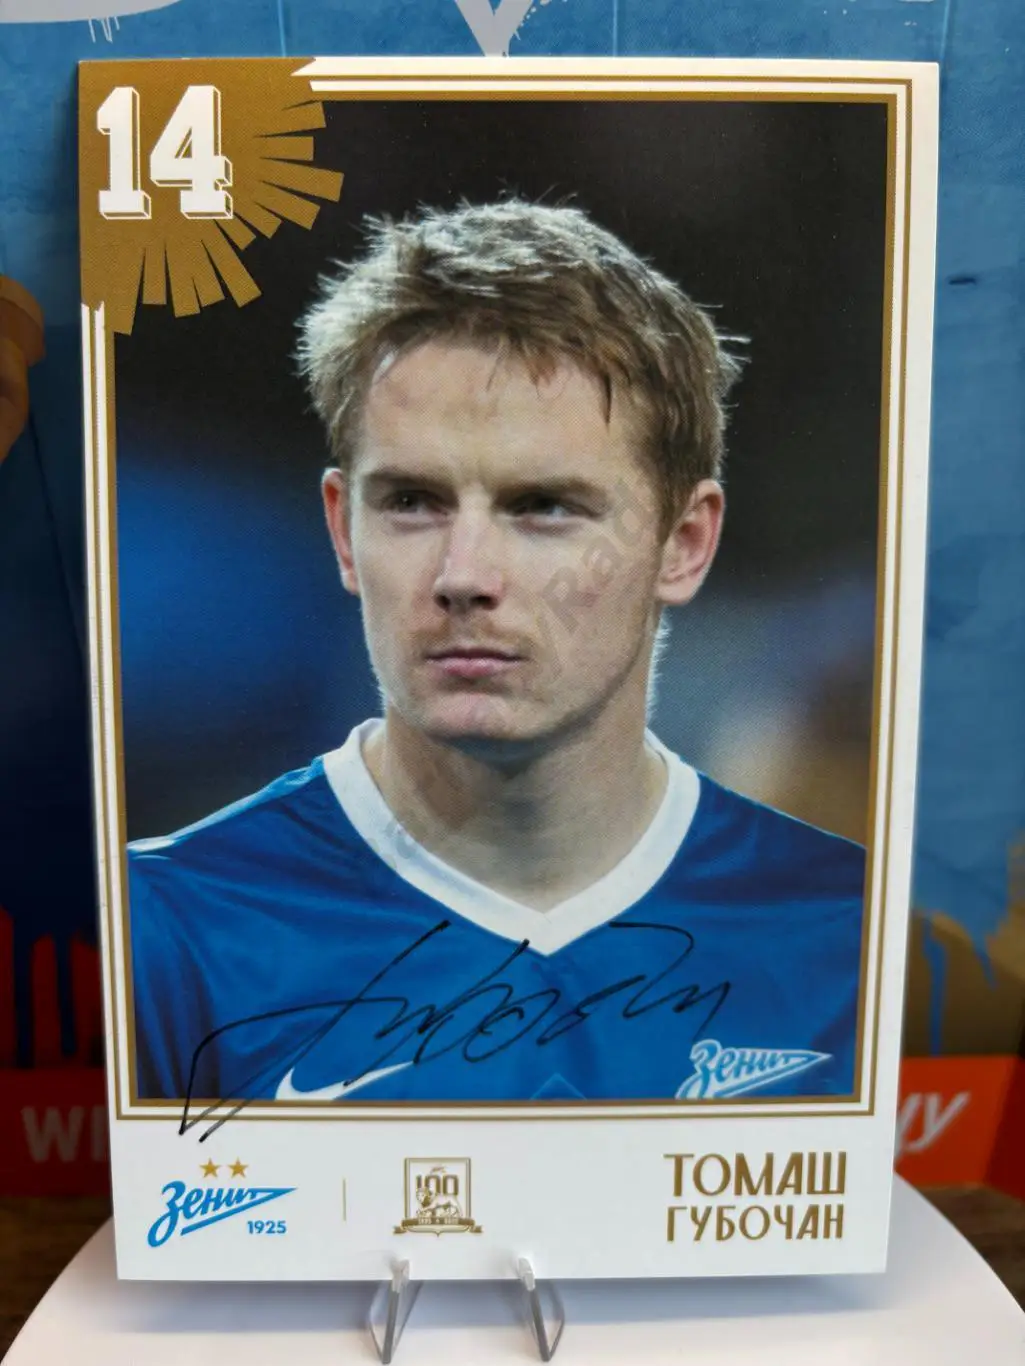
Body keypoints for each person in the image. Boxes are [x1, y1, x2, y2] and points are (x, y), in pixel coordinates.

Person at [128, 200, 865, 1106]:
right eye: (410, 502)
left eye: (543, 507)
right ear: (343, 532)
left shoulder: (851, 933)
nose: (463, 576)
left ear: (683, 544)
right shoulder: (163, 930)